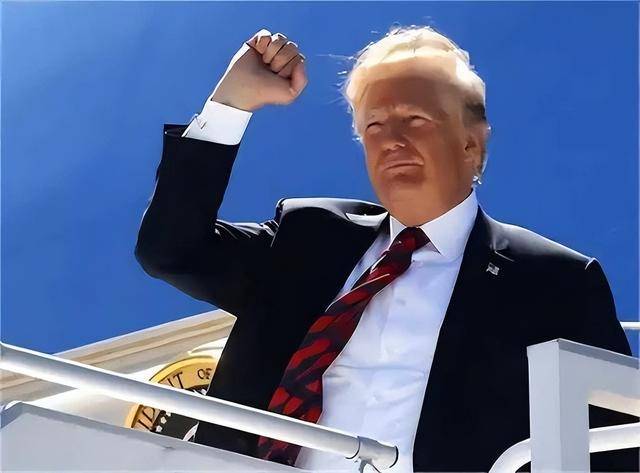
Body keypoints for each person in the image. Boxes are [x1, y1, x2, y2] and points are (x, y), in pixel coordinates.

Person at [134, 25, 638, 472]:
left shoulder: (553, 281)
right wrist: (231, 104)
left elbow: (616, 448)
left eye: (415, 119)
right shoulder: (309, 237)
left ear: (471, 144)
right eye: (374, 126)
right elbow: (170, 251)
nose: (391, 140)